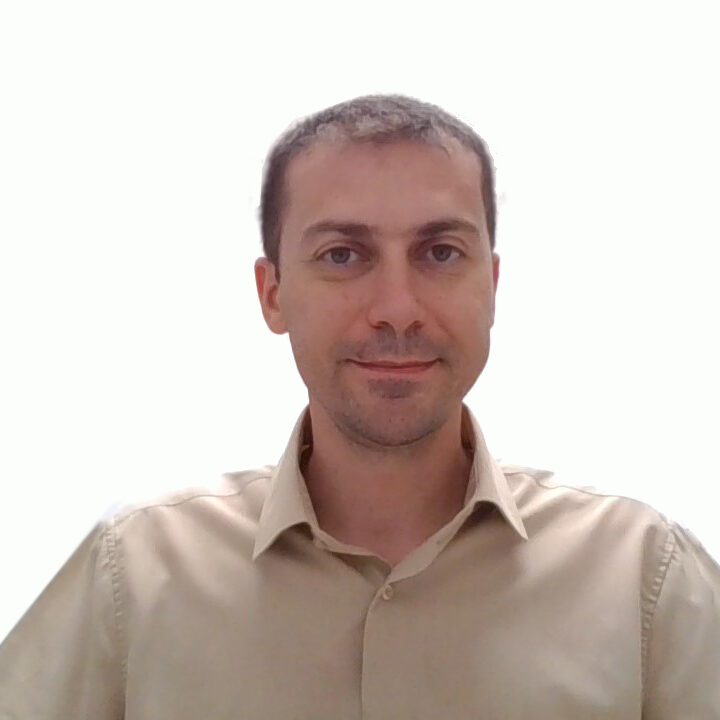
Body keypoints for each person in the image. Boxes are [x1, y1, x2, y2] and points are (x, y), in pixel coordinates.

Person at [1, 94, 718, 719]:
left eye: (440, 253)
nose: (396, 308)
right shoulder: (134, 574)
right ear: (272, 294)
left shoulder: (645, 579)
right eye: (343, 255)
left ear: (492, 286)